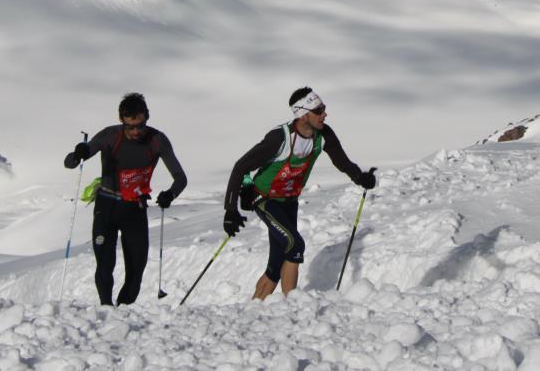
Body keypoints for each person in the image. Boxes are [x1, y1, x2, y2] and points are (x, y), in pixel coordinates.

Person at [222, 87, 376, 299]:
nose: (324, 114)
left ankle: (253, 309)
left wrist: (360, 177)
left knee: (275, 266)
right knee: (295, 245)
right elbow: (241, 166)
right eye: (319, 110)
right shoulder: (280, 138)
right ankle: (292, 308)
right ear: (303, 114)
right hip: (265, 199)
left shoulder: (324, 135)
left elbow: (342, 161)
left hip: (289, 202)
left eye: (324, 108)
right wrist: (230, 210)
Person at [64, 93, 187, 306]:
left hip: (134, 208)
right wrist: (78, 153)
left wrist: (170, 193)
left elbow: (180, 178)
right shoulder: (109, 136)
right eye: (130, 127)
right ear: (122, 120)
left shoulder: (157, 140)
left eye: (140, 125)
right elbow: (70, 163)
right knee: (104, 263)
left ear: (146, 118)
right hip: (107, 206)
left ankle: (122, 312)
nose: (136, 132)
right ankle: (106, 308)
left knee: (137, 269)